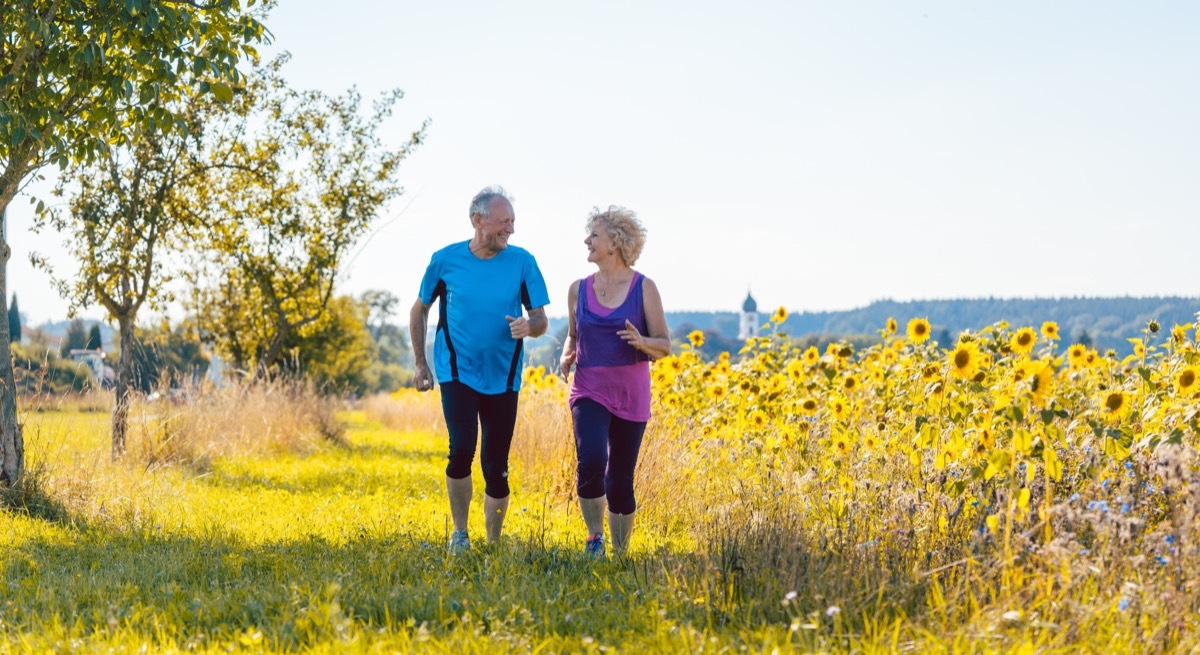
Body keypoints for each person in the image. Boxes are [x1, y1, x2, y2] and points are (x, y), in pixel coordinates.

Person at [410, 186, 549, 553]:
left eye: (513, 223)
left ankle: (493, 542)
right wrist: (421, 363)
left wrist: (528, 327)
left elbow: (540, 321)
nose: (511, 230)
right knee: (461, 448)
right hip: (457, 370)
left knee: (496, 462)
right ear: (478, 220)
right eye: (504, 222)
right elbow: (419, 309)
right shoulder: (445, 260)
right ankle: (459, 534)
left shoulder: (523, 262)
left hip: (503, 375)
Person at [558, 206, 670, 558]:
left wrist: (643, 343)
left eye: (594, 235)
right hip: (588, 389)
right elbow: (574, 335)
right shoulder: (578, 289)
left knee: (619, 478)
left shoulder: (644, 288)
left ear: (615, 242)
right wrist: (567, 353)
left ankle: (621, 554)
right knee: (590, 460)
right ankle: (594, 539)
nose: (586, 241)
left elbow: (664, 344)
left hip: (631, 395)